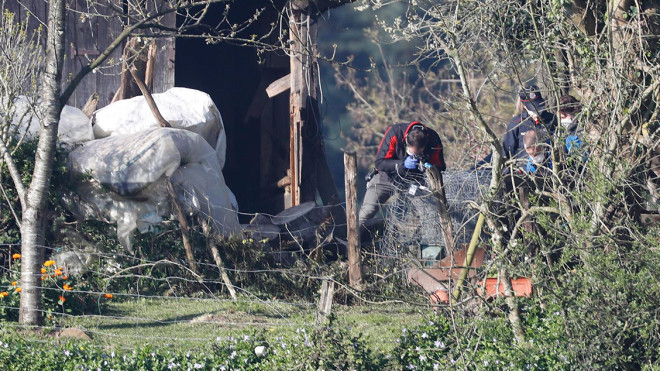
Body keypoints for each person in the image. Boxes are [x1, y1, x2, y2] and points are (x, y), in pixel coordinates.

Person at [358, 121, 446, 223]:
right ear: (406, 142)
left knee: (430, 215)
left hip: (415, 183)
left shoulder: (434, 139)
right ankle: (354, 237)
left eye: (418, 153)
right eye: (412, 153)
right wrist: (402, 164)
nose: (415, 155)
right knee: (366, 213)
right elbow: (379, 163)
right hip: (387, 177)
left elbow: (440, 167)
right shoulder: (395, 132)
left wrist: (429, 166)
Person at [502, 85, 557, 164]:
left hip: (550, 169)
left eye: (538, 106)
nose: (537, 111)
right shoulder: (517, 123)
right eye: (532, 108)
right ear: (524, 106)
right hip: (523, 171)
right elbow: (507, 151)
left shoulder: (553, 120)